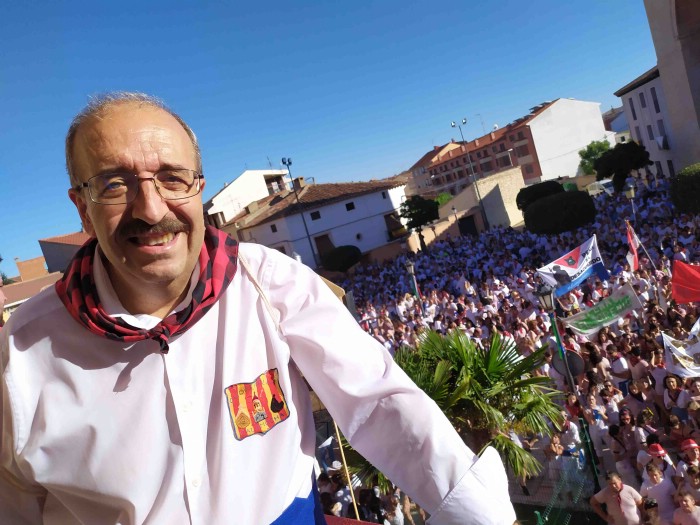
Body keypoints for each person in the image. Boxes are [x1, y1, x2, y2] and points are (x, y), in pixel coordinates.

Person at [0, 94, 516, 524]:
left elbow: (378, 401)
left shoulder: (269, 281)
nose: (151, 209)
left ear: (199, 187)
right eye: (114, 183)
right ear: (81, 207)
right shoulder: (20, 354)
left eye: (173, 178)